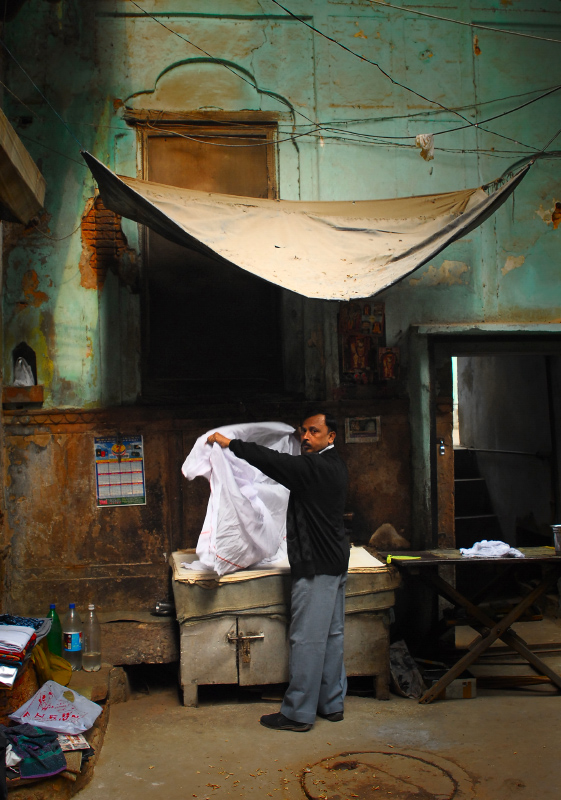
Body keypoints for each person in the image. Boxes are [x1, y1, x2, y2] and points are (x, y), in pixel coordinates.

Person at [207, 411, 349, 732]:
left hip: (317, 568)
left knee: (307, 639)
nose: (306, 437)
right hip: (336, 563)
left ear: (332, 437)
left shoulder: (314, 468)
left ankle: (298, 713)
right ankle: (331, 703)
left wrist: (230, 443)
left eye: (315, 432)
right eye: (304, 431)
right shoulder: (336, 466)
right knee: (331, 636)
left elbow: (272, 461)